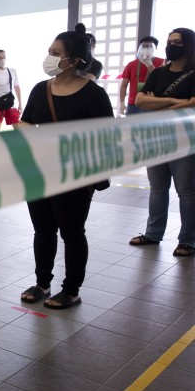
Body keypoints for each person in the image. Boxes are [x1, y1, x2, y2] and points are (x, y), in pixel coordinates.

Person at [18, 24, 113, 310]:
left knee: (71, 232)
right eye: (49, 52)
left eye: (56, 53)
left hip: (74, 175)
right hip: (39, 171)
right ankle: (42, 282)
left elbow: (105, 138)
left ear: (75, 60)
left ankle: (71, 289)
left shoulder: (94, 95)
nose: (49, 57)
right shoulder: (40, 89)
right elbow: (25, 121)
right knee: (42, 230)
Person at [129, 28, 195, 257]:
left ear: (189, 45)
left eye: (177, 42)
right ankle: (153, 234)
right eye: (169, 42)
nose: (171, 45)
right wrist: (174, 101)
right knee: (158, 188)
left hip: (187, 138)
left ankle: (187, 241)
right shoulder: (158, 73)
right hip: (157, 136)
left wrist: (159, 104)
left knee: (186, 189)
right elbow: (140, 100)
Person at [118, 36, 163, 115]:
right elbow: (124, 85)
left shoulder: (162, 62)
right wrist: (122, 103)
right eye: (144, 46)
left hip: (153, 102)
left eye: (149, 46)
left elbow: (160, 80)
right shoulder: (131, 64)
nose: (146, 49)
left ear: (155, 48)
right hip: (133, 103)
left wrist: (149, 64)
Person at [0, 49, 22, 129]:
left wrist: (20, 104)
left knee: (18, 128)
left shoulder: (12, 71)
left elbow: (17, 87)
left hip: (10, 103)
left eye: (4, 57)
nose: (2, 60)